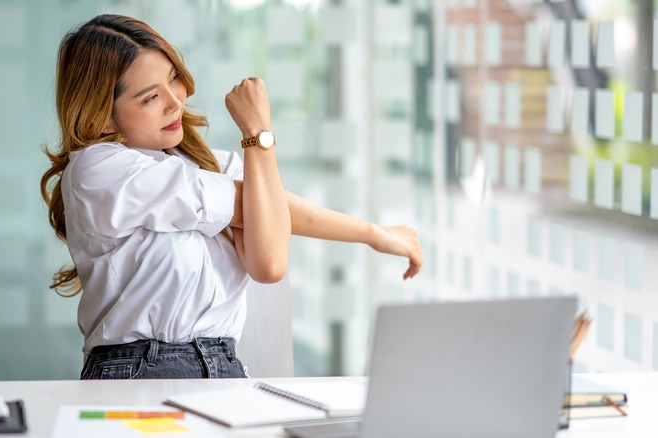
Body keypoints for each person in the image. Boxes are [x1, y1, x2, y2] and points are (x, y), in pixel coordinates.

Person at [40, 14, 423, 380]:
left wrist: (376, 233)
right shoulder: (98, 169)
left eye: (174, 79)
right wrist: (258, 131)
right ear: (104, 116)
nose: (176, 101)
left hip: (225, 367)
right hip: (138, 370)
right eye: (149, 98)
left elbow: (269, 262)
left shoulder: (216, 166)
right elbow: (261, 212)